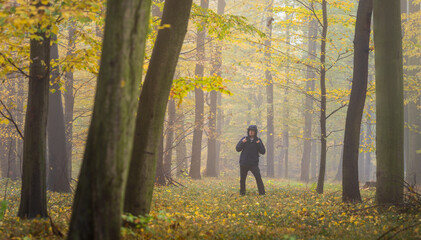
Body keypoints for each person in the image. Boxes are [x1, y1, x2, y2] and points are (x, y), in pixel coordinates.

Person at [235, 125, 266, 195]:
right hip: (244, 163)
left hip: (253, 164)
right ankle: (242, 194)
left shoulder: (258, 140)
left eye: (252, 131)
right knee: (242, 180)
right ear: (248, 131)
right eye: (250, 130)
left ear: (255, 132)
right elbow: (237, 149)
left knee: (258, 178)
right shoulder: (244, 139)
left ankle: (262, 193)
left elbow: (263, 151)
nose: (251, 132)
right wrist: (242, 142)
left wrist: (259, 144)